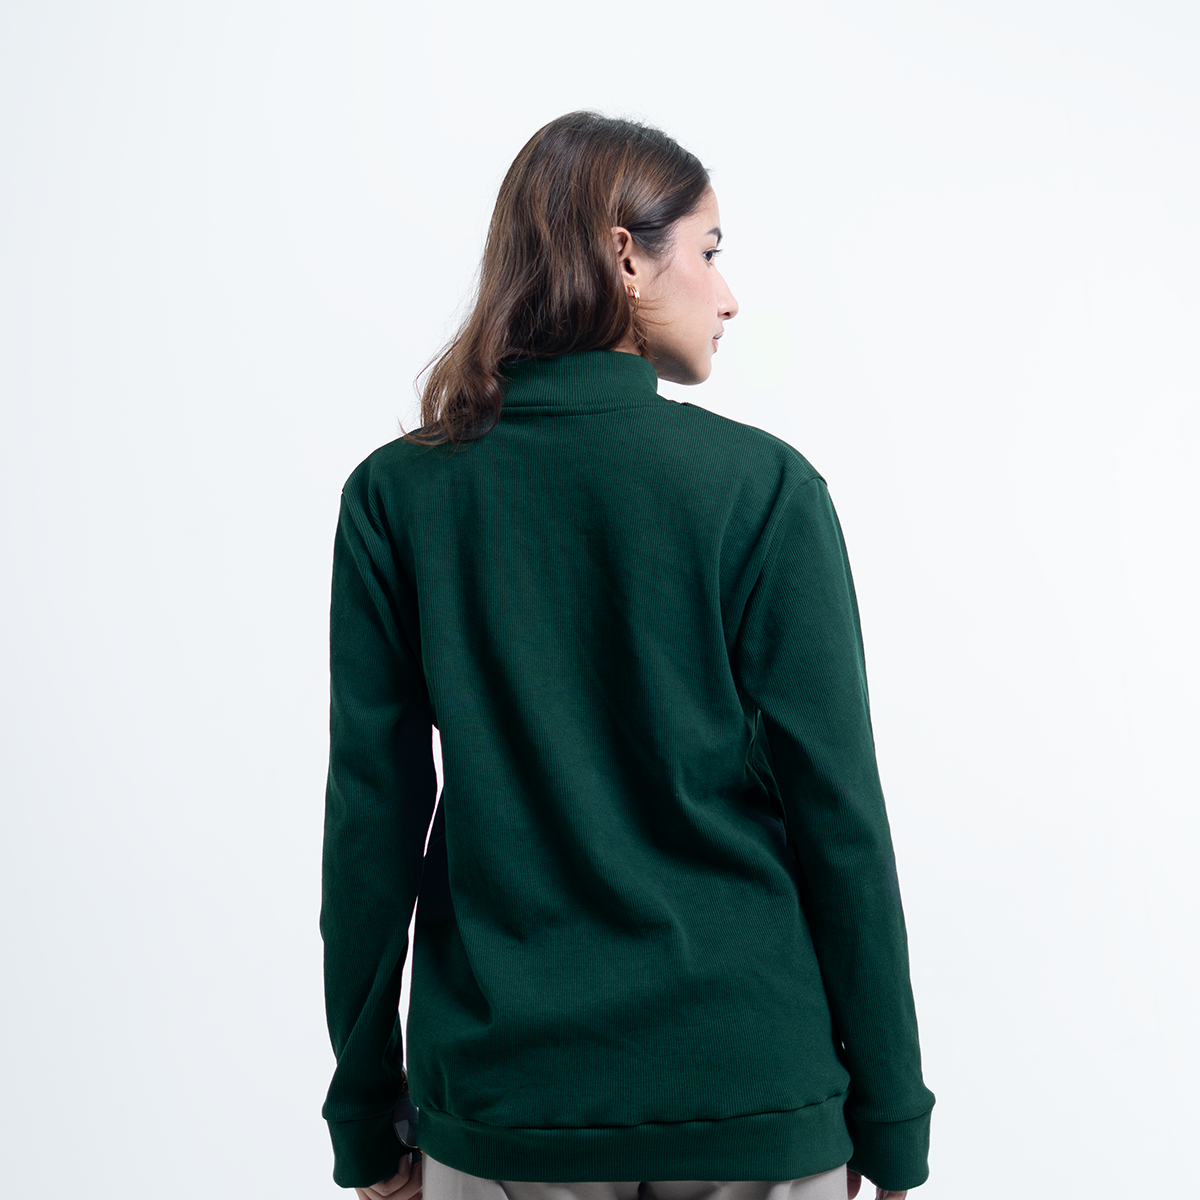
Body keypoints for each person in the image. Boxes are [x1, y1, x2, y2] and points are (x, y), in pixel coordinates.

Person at [320, 111, 935, 1200]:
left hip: (508, 1105)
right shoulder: (762, 489)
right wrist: (890, 1118)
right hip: (753, 1093)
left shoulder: (398, 495)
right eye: (709, 250)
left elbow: (373, 825)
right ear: (625, 257)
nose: (729, 295)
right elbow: (840, 819)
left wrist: (367, 1119)